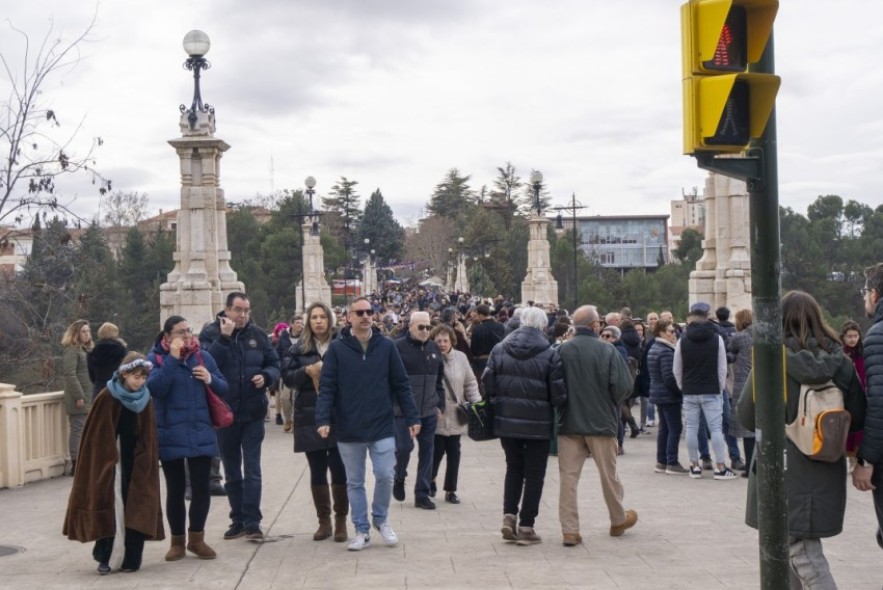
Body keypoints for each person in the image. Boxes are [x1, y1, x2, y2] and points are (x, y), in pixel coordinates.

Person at [740, 290, 865, 589]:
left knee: (800, 553)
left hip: (780, 467)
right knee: (796, 549)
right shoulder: (841, 362)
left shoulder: (771, 360)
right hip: (823, 464)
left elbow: (746, 415)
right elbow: (858, 415)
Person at [315, 297, 421, 551]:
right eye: (359, 312)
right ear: (348, 317)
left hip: (381, 424)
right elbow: (327, 387)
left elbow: (401, 384)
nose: (365, 316)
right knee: (355, 482)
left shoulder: (386, 346)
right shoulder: (338, 350)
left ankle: (381, 519)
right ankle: (361, 529)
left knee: (385, 474)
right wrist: (322, 419)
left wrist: (412, 417)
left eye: (369, 312)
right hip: (349, 427)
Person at [63, 352, 164, 575]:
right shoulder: (107, 396)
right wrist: (107, 459)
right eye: (136, 376)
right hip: (112, 462)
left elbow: (148, 434)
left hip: (136, 462)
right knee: (113, 505)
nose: (140, 381)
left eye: (143, 377)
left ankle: (131, 558)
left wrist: (145, 459)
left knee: (136, 506)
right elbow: (96, 436)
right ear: (125, 374)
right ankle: (106, 556)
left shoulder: (145, 399)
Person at [200, 292, 281, 541]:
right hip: (225, 414)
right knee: (232, 470)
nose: (243, 315)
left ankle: (253, 522)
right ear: (226, 310)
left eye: (246, 310)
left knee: (253, 469)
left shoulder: (257, 335)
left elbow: (274, 363)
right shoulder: (211, 333)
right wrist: (224, 338)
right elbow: (207, 364)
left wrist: (266, 376)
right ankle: (237, 519)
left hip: (253, 412)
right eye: (238, 309)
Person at [482, 306, 566, 546]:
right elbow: (558, 395)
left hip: (506, 420)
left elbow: (487, 383)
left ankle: (509, 516)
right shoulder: (550, 354)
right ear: (542, 327)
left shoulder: (499, 349)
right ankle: (527, 526)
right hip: (538, 424)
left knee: (513, 468)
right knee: (535, 474)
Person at [148, 315, 228, 561]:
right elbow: (155, 389)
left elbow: (225, 388)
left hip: (200, 430)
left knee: (202, 488)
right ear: (167, 336)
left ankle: (197, 538)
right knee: (175, 489)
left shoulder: (202, 356)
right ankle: (177, 542)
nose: (187, 335)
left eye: (189, 330)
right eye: (181, 332)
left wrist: (211, 379)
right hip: (170, 431)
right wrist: (172, 359)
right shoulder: (155, 359)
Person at [557, 305, 636, 547]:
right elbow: (623, 387)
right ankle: (617, 519)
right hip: (601, 422)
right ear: (595, 326)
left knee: (568, 478)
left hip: (568, 422)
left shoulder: (562, 350)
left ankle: (570, 530)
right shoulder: (608, 351)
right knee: (608, 475)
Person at [281, 302, 349, 542]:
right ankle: (324, 521)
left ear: (330, 320)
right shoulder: (299, 349)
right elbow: (288, 378)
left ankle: (341, 520)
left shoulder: (343, 344)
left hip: (339, 413)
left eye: (323, 317)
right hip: (309, 414)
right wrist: (307, 371)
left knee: (340, 467)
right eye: (314, 318)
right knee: (317, 469)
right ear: (309, 322)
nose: (319, 321)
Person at [673, 302, 738, 480]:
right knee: (716, 429)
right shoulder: (716, 339)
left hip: (690, 389)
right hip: (711, 389)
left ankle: (694, 466)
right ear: (707, 319)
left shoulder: (682, 340)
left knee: (692, 428)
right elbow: (722, 367)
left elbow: (677, 368)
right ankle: (720, 467)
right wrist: (719, 387)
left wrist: (682, 385)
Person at [393, 310, 445, 509]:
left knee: (427, 452)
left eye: (428, 327)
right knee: (404, 448)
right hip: (403, 412)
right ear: (410, 326)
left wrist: (439, 404)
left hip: (429, 410)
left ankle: (422, 494)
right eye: (421, 327)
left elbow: (439, 380)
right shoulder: (397, 347)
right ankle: (399, 476)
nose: (425, 331)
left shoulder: (433, 348)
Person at [429, 324, 481, 504]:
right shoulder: (430, 358)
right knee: (436, 452)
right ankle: (431, 479)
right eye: (438, 341)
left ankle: (451, 489)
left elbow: (470, 383)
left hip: (457, 415)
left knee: (454, 454)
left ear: (452, 341)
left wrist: (477, 404)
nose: (442, 344)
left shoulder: (461, 358)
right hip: (437, 415)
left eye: (445, 340)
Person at [854, 263, 883, 549]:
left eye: (865, 292)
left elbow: (879, 404)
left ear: (874, 294)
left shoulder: (876, 336)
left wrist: (866, 460)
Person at [648, 319, 688, 474]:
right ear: (661, 333)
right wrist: (681, 390)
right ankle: (672, 461)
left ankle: (661, 461)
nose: (674, 334)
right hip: (668, 394)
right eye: (671, 331)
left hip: (659, 393)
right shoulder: (665, 351)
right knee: (675, 427)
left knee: (664, 428)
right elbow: (670, 377)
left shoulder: (655, 347)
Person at [62, 319, 94, 476]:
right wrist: (79, 396)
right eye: (83, 331)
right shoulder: (71, 350)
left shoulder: (87, 349)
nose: (87, 334)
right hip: (78, 397)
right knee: (77, 429)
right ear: (76, 333)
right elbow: (69, 374)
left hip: (89, 396)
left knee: (87, 430)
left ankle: (85, 462)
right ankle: (75, 465)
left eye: (88, 331)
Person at [727, 309, 756, 476]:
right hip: (760, 381)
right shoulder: (761, 335)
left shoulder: (740, 337)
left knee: (746, 427)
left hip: (744, 383)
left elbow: (729, 348)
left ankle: (750, 466)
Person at [87, 322, 128, 397]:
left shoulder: (93, 351)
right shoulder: (121, 350)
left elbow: (91, 375)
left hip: (99, 389)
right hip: (117, 388)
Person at [470, 303, 505, 380]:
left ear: (481, 315)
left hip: (482, 363)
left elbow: (474, 349)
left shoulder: (477, 329)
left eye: (477, 314)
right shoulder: (500, 326)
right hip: (499, 360)